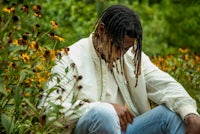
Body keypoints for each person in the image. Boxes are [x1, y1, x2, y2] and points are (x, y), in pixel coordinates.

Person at [40, 5, 200, 134]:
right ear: (101, 30)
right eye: (117, 46)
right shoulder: (70, 58)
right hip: (86, 129)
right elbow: (48, 111)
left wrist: (191, 114)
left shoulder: (129, 55)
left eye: (125, 49)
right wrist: (103, 107)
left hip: (128, 130)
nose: (120, 54)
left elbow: (164, 85)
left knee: (174, 116)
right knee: (104, 114)